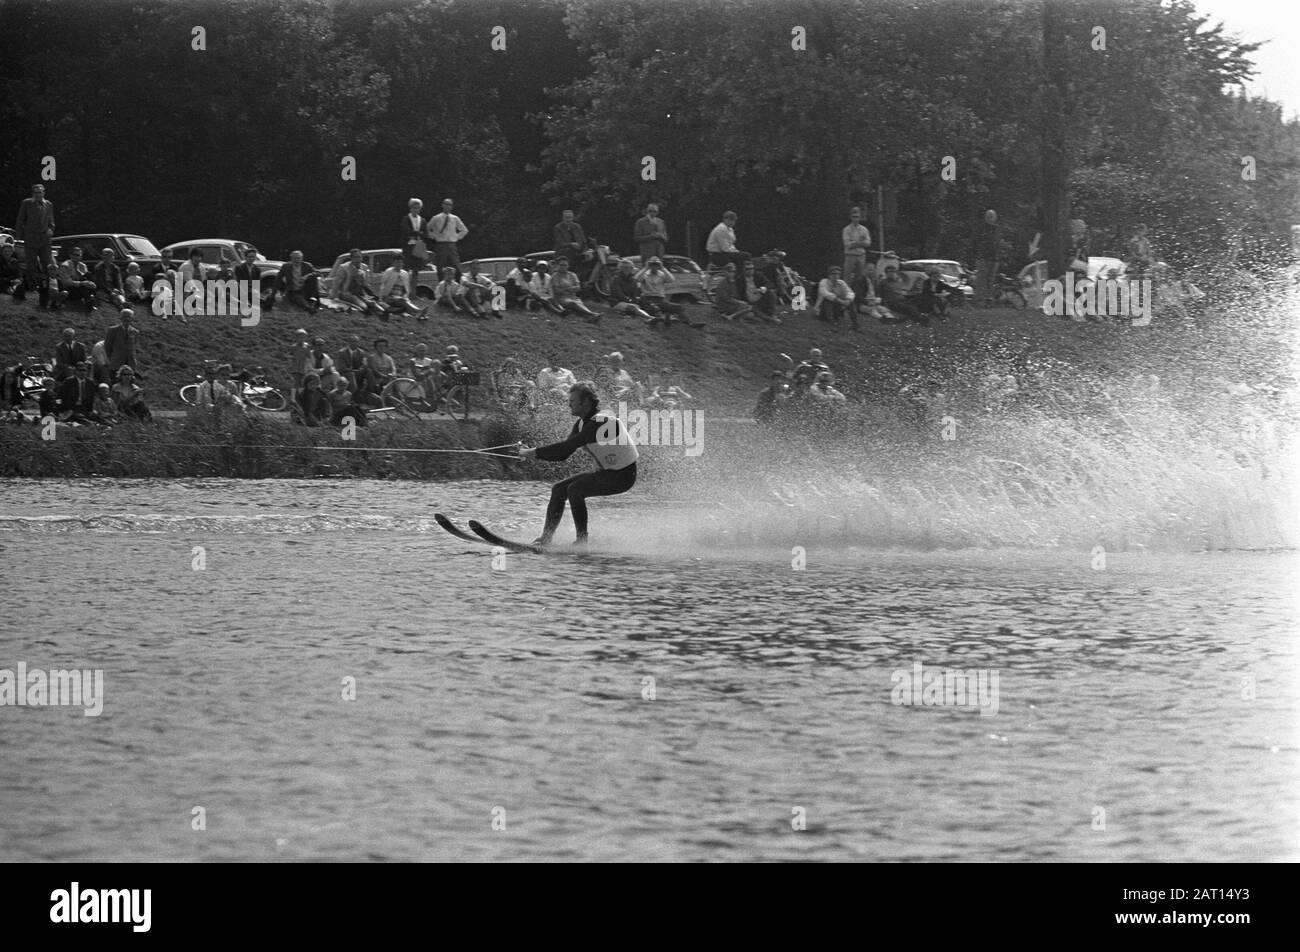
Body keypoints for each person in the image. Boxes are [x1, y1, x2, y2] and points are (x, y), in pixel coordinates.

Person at [516, 381, 639, 548]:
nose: (569, 404)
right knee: (559, 489)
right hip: (608, 473)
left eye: (573, 401)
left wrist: (532, 452)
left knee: (575, 489)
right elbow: (563, 454)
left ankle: (582, 540)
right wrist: (534, 454)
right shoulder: (582, 424)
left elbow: (567, 446)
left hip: (624, 475)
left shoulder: (602, 422)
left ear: (586, 402)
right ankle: (546, 539)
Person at [14, 183, 55, 305]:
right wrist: (18, 236)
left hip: (45, 239)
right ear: (33, 193)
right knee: (30, 263)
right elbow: (20, 219)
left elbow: (52, 220)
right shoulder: (26, 203)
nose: (38, 194)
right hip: (31, 238)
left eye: (40, 192)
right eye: (36, 192)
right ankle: (32, 286)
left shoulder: (49, 204)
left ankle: (47, 286)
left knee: (47, 263)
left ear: (44, 193)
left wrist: (51, 229)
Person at [636, 257, 698, 327]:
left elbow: (671, 279)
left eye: (656, 264)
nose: (654, 266)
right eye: (652, 264)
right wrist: (646, 267)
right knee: (655, 308)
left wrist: (663, 268)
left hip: (660, 299)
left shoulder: (661, 274)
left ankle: (689, 323)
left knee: (679, 307)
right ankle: (663, 319)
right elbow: (637, 278)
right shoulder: (645, 274)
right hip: (648, 298)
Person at [335, 248, 385, 316]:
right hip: (347, 293)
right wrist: (335, 297)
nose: (357, 259)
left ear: (361, 257)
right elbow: (337, 283)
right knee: (362, 305)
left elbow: (366, 284)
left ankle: (383, 312)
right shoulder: (344, 267)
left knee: (372, 302)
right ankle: (369, 311)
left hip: (360, 292)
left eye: (359, 257)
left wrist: (368, 291)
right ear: (351, 258)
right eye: (355, 257)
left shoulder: (364, 267)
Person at [706, 210, 748, 288]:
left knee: (743, 256)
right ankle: (739, 280)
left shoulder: (730, 229)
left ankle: (738, 278)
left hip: (724, 253)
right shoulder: (721, 229)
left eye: (734, 220)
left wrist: (737, 252)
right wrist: (737, 254)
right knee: (745, 256)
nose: (733, 222)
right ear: (725, 219)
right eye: (731, 220)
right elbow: (725, 248)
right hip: (717, 255)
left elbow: (731, 245)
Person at [550, 257, 600, 322]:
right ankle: (592, 314)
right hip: (562, 297)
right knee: (573, 303)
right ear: (558, 265)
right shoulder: (555, 276)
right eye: (561, 265)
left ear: (568, 266)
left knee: (578, 303)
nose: (563, 267)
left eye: (565, 265)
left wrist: (566, 289)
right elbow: (556, 290)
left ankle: (589, 316)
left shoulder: (572, 275)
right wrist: (571, 289)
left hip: (573, 296)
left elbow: (578, 287)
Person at [427, 198, 468, 274]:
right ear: (442, 205)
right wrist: (434, 236)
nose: (447, 206)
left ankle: (458, 283)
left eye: (449, 205)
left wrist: (456, 237)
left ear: (452, 207)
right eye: (445, 204)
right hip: (440, 244)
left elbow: (464, 230)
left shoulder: (455, 218)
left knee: (456, 265)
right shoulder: (436, 218)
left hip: (452, 244)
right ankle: (441, 283)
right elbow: (427, 229)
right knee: (440, 266)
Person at [972, 209, 1001, 307]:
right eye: (988, 216)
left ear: (995, 218)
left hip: (994, 259)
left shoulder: (997, 229)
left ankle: (989, 300)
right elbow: (975, 242)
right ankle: (980, 301)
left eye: (992, 217)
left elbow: (997, 244)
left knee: (991, 280)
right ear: (985, 218)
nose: (990, 219)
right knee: (982, 280)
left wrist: (998, 257)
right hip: (982, 258)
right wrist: (977, 255)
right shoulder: (981, 229)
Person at [234, 247, 274, 313]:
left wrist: (257, 290)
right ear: (245, 257)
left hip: (253, 290)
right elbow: (240, 281)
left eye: (253, 257)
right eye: (249, 257)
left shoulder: (257, 269)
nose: (251, 259)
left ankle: (259, 304)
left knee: (266, 296)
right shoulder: (239, 268)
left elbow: (257, 283)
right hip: (242, 289)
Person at [402, 198, 427, 295]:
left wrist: (417, 234)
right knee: (406, 270)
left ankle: (413, 293)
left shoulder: (423, 220)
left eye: (418, 208)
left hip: (418, 247)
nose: (416, 210)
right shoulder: (406, 219)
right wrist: (417, 233)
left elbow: (426, 233)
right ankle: (405, 293)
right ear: (410, 208)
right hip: (408, 246)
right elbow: (406, 230)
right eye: (414, 208)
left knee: (416, 271)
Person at [842, 206, 872, 284]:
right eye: (854, 217)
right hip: (850, 255)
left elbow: (868, 243)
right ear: (850, 217)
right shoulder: (846, 229)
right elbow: (847, 244)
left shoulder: (864, 229)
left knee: (860, 277)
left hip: (861, 256)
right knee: (847, 276)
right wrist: (861, 243)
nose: (855, 219)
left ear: (860, 217)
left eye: (857, 217)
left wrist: (855, 243)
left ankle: (859, 293)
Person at [104, 308, 138, 377]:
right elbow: (107, 347)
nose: (127, 319)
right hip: (116, 364)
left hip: (130, 365)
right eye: (125, 316)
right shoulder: (112, 330)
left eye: (129, 317)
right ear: (121, 318)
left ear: (132, 319)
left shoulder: (135, 332)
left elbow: (135, 348)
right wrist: (113, 358)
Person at [287, 328, 311, 402]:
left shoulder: (307, 346)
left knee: (302, 383)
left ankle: (301, 397)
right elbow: (289, 355)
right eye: (299, 337)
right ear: (296, 338)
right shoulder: (293, 347)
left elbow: (309, 356)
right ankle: (293, 398)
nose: (301, 339)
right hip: (296, 367)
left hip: (303, 367)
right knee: (295, 382)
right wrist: (292, 358)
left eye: (303, 337)